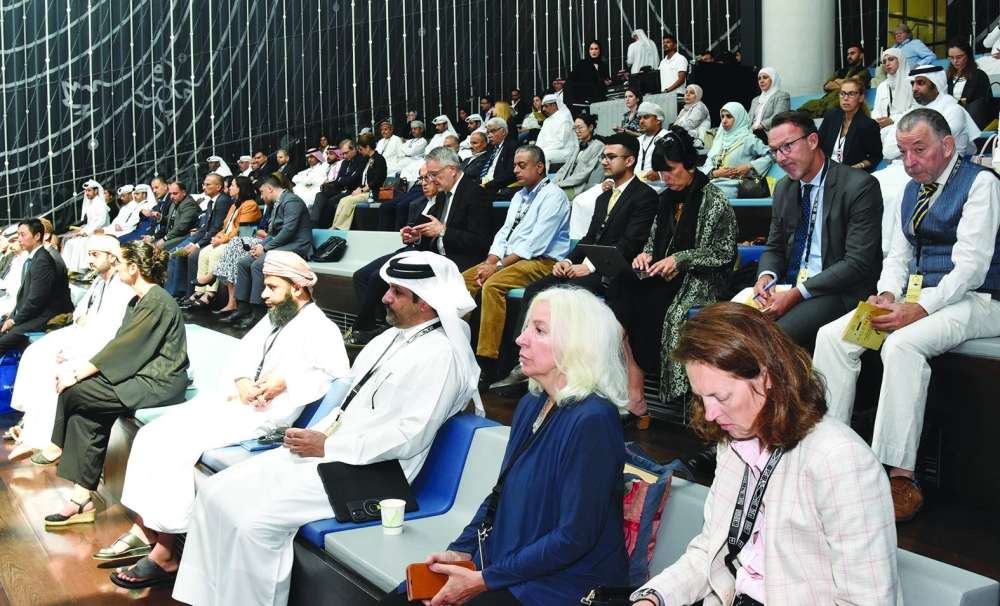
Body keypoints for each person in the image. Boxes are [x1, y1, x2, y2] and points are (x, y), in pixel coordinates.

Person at [172, 251, 483, 606]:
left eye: (396, 291)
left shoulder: (441, 356)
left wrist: (326, 447)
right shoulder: (391, 338)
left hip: (375, 472)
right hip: (332, 452)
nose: (384, 297)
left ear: (426, 302)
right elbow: (347, 406)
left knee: (252, 523)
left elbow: (409, 437)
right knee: (216, 491)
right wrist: (313, 438)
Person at [630, 302, 901, 606]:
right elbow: (712, 551)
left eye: (721, 397)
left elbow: (868, 600)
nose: (709, 414)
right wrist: (653, 598)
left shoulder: (839, 460)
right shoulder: (733, 443)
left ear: (767, 377)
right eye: (701, 398)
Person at [107, 252, 350, 589]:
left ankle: (166, 553)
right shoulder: (277, 316)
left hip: (267, 418)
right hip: (240, 403)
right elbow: (242, 355)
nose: (263, 294)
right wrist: (241, 380)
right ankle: (146, 527)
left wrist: (285, 381)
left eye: (271, 287)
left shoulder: (321, 327)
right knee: (152, 433)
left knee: (172, 444)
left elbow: (337, 375)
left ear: (297, 288)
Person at [380, 286, 630, 606]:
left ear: (577, 345)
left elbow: (575, 537)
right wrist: (461, 550)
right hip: (509, 563)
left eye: (538, 330)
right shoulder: (532, 403)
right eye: (527, 326)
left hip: (562, 585)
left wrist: (483, 580)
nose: (520, 339)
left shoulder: (593, 418)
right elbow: (500, 494)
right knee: (399, 600)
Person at [813, 108, 1000, 522]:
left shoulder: (981, 184)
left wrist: (917, 309)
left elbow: (970, 269)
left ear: (947, 146)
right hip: (918, 298)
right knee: (832, 337)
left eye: (920, 150)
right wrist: (885, 294)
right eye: (903, 152)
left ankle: (899, 476)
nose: (910, 161)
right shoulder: (909, 189)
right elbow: (897, 257)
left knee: (900, 343)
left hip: (981, 300)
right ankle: (830, 455)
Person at [493, 135, 658, 393]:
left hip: (616, 272)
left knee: (568, 291)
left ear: (630, 160)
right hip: (592, 265)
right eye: (603, 156)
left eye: (610, 156)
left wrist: (589, 266)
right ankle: (522, 361)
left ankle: (560, 366)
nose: (604, 161)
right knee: (537, 289)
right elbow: (590, 238)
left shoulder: (645, 196)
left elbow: (631, 243)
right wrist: (567, 260)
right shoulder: (604, 198)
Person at [44, 241, 188, 527]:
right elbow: (121, 346)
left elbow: (125, 347)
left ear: (133, 268)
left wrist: (79, 373)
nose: (117, 264)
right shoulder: (137, 301)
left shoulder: (157, 300)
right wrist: (78, 368)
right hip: (139, 374)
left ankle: (54, 446)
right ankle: (81, 498)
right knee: (87, 416)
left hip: (160, 380)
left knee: (76, 390)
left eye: (120, 261)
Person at [606, 127, 738, 416]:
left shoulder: (714, 200)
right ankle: (635, 395)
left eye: (671, 170)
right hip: (665, 276)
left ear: (689, 165)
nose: (665, 178)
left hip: (700, 279)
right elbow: (654, 241)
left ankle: (639, 389)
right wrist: (646, 255)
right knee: (623, 287)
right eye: (661, 172)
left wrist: (681, 259)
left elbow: (724, 253)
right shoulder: (666, 199)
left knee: (652, 303)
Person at [734, 111, 883, 352]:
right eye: (774, 151)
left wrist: (797, 294)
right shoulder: (784, 188)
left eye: (787, 147)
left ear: (813, 141)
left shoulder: (859, 186)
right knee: (727, 329)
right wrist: (766, 276)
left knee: (769, 339)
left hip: (837, 290)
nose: (780, 158)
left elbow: (856, 263)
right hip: (789, 286)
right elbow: (775, 247)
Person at [7, 235, 134, 464]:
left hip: (102, 342)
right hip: (83, 332)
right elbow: (79, 311)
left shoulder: (122, 286)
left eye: (95, 255)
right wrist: (80, 320)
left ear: (112, 257)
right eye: (89, 255)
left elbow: (109, 331)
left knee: (56, 366)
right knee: (35, 353)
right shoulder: (99, 281)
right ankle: (29, 421)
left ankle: (43, 438)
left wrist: (71, 350)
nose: (90, 261)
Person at [347, 147, 493, 345]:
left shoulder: (475, 193)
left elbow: (481, 242)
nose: (432, 180)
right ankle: (387, 327)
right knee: (379, 273)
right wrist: (417, 236)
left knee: (393, 274)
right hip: (434, 255)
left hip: (457, 261)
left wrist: (443, 231)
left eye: (434, 174)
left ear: (452, 169)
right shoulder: (443, 195)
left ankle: (395, 329)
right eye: (430, 175)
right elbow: (434, 232)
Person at [462, 145, 571, 386]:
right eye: (514, 165)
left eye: (522, 165)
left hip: (542, 262)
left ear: (539, 167)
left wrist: (497, 267)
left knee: (492, 286)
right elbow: (503, 235)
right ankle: (459, 349)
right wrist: (489, 263)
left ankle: (487, 363)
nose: (515, 171)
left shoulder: (554, 196)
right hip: (511, 260)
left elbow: (535, 244)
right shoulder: (519, 195)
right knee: (464, 280)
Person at [223, 175, 313, 329]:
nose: (261, 196)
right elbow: (271, 233)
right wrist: (259, 247)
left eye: (262, 192)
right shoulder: (277, 203)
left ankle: (258, 314)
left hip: (297, 245)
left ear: (270, 188)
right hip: (283, 244)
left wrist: (265, 248)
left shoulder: (292, 202)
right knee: (245, 262)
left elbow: (288, 231)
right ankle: (242, 308)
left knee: (258, 264)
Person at [0, 219, 74, 353]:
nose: (19, 239)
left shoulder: (43, 262)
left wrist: (14, 321)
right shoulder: (33, 259)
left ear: (37, 236)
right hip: (29, 315)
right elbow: (24, 297)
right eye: (18, 235)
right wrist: (12, 317)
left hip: (40, 318)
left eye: (23, 235)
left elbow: (36, 300)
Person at [191, 175, 263, 308]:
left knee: (215, 254)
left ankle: (210, 293)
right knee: (204, 253)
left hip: (241, 242)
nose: (229, 187)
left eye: (232, 185)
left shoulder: (250, 205)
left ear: (241, 188)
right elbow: (225, 226)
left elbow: (240, 230)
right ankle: (199, 291)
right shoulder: (235, 205)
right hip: (227, 239)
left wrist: (222, 240)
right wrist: (218, 237)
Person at [699, 103, 773, 198]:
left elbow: (772, 154)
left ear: (739, 118)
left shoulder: (748, 139)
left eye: (729, 116)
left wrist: (749, 166)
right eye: (722, 116)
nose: (724, 121)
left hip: (733, 185)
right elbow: (707, 165)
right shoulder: (720, 139)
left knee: (703, 193)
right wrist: (715, 173)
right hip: (713, 182)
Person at [817, 77, 882, 171]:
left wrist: (857, 167)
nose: (845, 98)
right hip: (826, 169)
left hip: (850, 174)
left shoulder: (868, 125)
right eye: (842, 93)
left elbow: (875, 157)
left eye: (851, 94)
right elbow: (818, 143)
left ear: (861, 97)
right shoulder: (831, 116)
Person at [797, 44, 872, 118]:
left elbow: (852, 85)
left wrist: (836, 81)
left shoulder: (864, 72)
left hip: (841, 99)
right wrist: (846, 81)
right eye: (848, 54)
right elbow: (826, 86)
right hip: (825, 100)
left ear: (861, 55)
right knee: (804, 109)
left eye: (852, 53)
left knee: (831, 111)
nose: (849, 56)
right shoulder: (840, 72)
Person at [332, 133, 388, 230]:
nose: (360, 152)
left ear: (367, 147)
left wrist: (362, 190)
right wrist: (359, 187)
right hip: (364, 190)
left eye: (361, 149)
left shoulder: (379, 159)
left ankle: (338, 228)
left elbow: (377, 180)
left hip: (373, 192)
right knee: (342, 200)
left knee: (348, 201)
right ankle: (335, 225)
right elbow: (363, 178)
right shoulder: (366, 160)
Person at [61, 179, 111, 272]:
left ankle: (81, 270)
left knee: (78, 244)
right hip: (90, 233)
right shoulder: (93, 204)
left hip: (99, 233)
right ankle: (69, 269)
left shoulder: (100, 204)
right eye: (86, 191)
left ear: (96, 191)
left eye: (89, 190)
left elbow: (100, 222)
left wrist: (86, 232)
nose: (87, 193)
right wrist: (81, 232)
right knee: (70, 242)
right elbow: (90, 223)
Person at [552, 114, 606, 200]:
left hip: (577, 189)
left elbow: (585, 173)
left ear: (590, 127)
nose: (577, 131)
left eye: (580, 127)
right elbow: (564, 168)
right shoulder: (578, 146)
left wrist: (560, 184)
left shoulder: (598, 146)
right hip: (564, 185)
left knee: (552, 197)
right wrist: (552, 183)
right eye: (575, 128)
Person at [945, 38, 992, 130]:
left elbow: (986, 103)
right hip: (952, 121)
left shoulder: (979, 75)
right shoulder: (948, 77)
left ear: (968, 55)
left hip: (974, 123)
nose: (955, 61)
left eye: (959, 57)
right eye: (951, 57)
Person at [872, 48, 915, 135]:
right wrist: (878, 120)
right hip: (881, 126)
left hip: (905, 126)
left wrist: (892, 120)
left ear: (900, 60)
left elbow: (914, 110)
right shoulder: (882, 86)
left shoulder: (912, 84)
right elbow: (876, 109)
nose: (887, 64)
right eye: (884, 62)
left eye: (891, 59)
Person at [534, 94, 576, 166]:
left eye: (546, 106)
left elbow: (561, 143)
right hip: (548, 150)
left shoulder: (565, 118)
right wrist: (538, 151)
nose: (543, 109)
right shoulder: (547, 121)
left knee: (542, 157)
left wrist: (543, 151)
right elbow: (540, 139)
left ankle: (543, 177)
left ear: (553, 106)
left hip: (565, 151)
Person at [748, 67, 790, 138]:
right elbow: (748, 118)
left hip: (768, 133)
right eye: (759, 78)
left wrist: (758, 127)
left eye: (765, 77)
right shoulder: (755, 100)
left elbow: (778, 117)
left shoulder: (782, 96)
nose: (761, 81)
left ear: (773, 79)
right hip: (751, 132)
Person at [570, 39, 612, 104]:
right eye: (591, 49)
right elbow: (574, 80)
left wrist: (608, 81)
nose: (594, 51)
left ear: (600, 50)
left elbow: (607, 78)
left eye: (596, 49)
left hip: (602, 98)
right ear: (588, 50)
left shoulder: (603, 65)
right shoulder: (582, 64)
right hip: (585, 98)